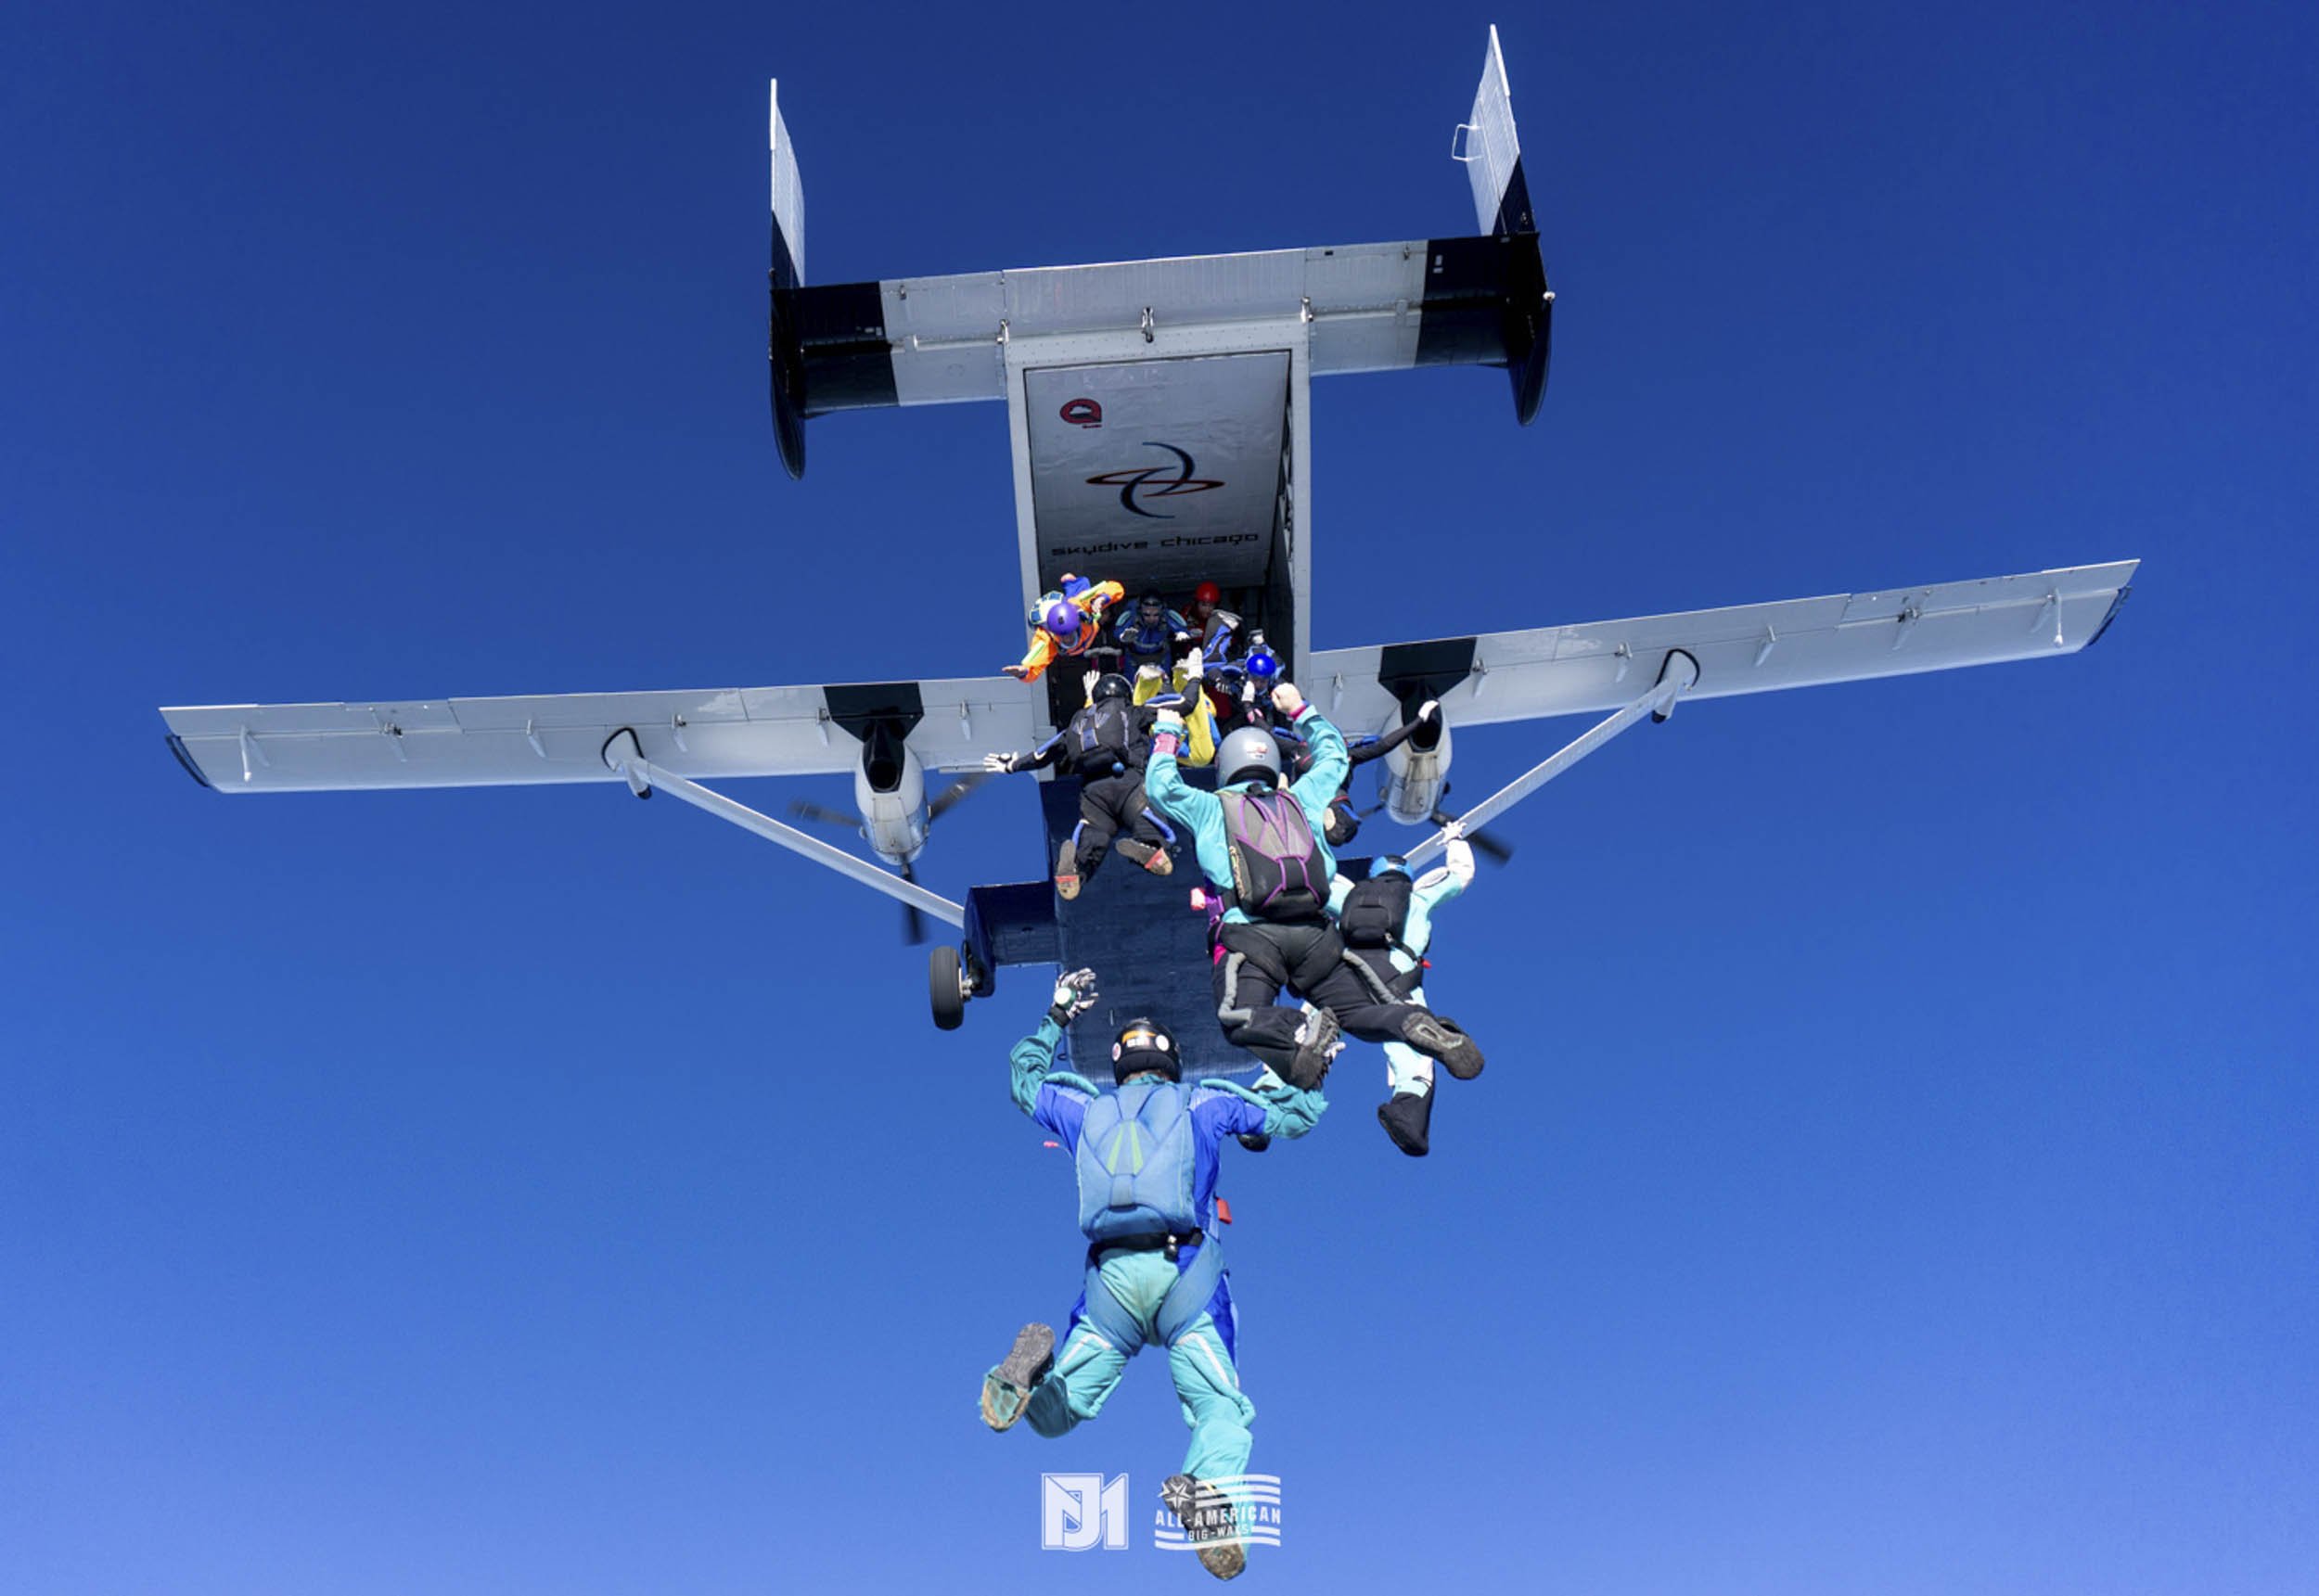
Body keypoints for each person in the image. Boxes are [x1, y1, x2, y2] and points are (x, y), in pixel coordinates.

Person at [980, 972, 1329, 1582]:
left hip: (1110, 1282)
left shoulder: (1082, 1107)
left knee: (1060, 1413)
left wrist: (1055, 1018)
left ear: (1121, 1066)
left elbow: (1023, 1081)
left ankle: (1019, 1384)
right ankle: (1209, 1489)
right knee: (1221, 1408)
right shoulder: (1206, 1100)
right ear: (1172, 1062)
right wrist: (1311, 1070)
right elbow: (1290, 1118)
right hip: (1185, 1275)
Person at [1144, 679, 1485, 1090]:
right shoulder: (1302, 798)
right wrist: (1299, 709)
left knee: (1239, 1017)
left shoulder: (1211, 807)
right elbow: (1336, 756)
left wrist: (1166, 731)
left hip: (1251, 937)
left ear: (1226, 767)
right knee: (1361, 1010)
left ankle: (1299, 1035)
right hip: (1316, 934)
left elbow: (1161, 788)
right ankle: (1413, 1022)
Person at [1329, 823, 1478, 1156]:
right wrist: (1454, 839)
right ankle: (1407, 1113)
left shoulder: (1349, 895)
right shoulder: (1419, 896)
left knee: (1308, 1028)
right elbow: (1460, 875)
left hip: (1345, 974)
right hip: (1397, 980)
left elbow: (1318, 880)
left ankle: (1273, 1089)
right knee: (1413, 1051)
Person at [985, 671, 1174, 899]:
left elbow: (1041, 755)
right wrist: (1193, 678)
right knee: (1148, 821)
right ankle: (1151, 847)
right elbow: (1187, 704)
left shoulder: (1078, 722)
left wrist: (1012, 765)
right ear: (1125, 694)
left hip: (1094, 796)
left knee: (1095, 839)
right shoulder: (1132, 712)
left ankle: (1074, 869)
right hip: (1129, 785)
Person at [1277, 699, 1443, 848]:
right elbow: (1384, 745)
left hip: (1313, 798)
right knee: (1343, 827)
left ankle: (1302, 820)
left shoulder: (1301, 749)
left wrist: (1417, 722)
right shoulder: (1346, 754)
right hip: (1327, 799)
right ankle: (1316, 824)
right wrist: (1417, 722)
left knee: (1341, 826)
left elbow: (1384, 745)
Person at [1004, 574, 1125, 683]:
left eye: (1069, 634)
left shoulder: (1082, 604)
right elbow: (1034, 667)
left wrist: (1101, 598)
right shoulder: (1046, 639)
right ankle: (1069, 582)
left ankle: (1071, 582)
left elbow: (1116, 587)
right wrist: (1023, 673)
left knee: (1080, 588)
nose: (1067, 639)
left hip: (1076, 605)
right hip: (1080, 650)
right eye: (1062, 636)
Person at [1114, 592, 1191, 673]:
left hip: (1161, 659)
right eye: (1147, 615)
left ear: (1161, 612)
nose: (1151, 619)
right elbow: (1117, 631)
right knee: (1131, 684)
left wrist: (1182, 633)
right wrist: (1122, 637)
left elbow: (1182, 628)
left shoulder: (1166, 616)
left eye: (1156, 615)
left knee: (1164, 684)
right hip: (1134, 660)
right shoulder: (1132, 616)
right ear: (1140, 611)